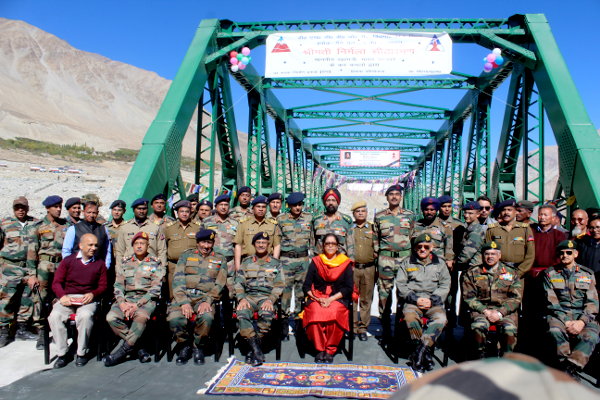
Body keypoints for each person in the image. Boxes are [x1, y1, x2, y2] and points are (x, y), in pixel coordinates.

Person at [104, 231, 165, 366]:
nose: (139, 246)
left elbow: (155, 288)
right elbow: (118, 286)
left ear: (147, 245)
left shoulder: (155, 263)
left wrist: (137, 305)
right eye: (136, 243)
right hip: (126, 300)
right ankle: (138, 347)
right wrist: (122, 303)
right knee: (111, 317)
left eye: (142, 243)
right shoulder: (125, 262)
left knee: (141, 317)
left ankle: (122, 351)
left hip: (145, 300)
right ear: (132, 246)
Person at [167, 229, 227, 365]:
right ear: (198, 242)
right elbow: (178, 279)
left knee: (206, 317)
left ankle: (198, 346)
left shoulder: (219, 258)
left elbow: (220, 284)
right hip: (185, 296)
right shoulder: (186, 256)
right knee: (174, 318)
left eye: (210, 243)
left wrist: (208, 301)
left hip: (205, 298)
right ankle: (184, 345)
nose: (206, 246)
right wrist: (183, 302)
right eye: (204, 242)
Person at [48, 233, 107, 368]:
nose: (94, 248)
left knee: (85, 316)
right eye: (90, 245)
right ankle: (62, 353)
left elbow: (103, 286)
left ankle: (82, 353)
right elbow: (56, 283)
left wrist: (93, 293)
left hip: (87, 298)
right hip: (67, 297)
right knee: (55, 316)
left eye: (96, 245)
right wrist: (62, 296)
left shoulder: (99, 264)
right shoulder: (68, 261)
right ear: (81, 246)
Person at [543, 240, 599, 379]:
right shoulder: (550, 273)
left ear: (575, 254)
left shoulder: (587, 274)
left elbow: (592, 303)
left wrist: (582, 322)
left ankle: (570, 367)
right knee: (555, 331)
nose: (565, 255)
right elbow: (552, 302)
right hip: (559, 315)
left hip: (583, 315)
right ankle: (567, 368)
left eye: (569, 252)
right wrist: (567, 321)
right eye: (561, 253)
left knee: (591, 336)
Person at [395, 233, 450, 372]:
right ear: (415, 248)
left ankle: (419, 352)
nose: (423, 249)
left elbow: (445, 285)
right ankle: (425, 354)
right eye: (419, 247)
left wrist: (432, 300)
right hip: (414, 301)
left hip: (434, 302)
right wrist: (415, 299)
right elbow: (401, 284)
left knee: (441, 319)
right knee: (410, 318)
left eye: (426, 247)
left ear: (432, 248)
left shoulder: (440, 263)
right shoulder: (407, 262)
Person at [462, 241, 522, 359]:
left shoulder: (511, 272)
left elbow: (516, 298)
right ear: (482, 256)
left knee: (509, 329)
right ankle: (480, 356)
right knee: (478, 327)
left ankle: (507, 359)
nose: (490, 257)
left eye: (493, 254)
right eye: (487, 254)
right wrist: (485, 311)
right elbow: (469, 297)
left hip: (505, 312)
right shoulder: (472, 273)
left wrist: (500, 313)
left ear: (499, 255)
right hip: (481, 311)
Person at [235, 232, 285, 366]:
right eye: (258, 242)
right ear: (253, 245)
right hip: (249, 297)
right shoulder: (246, 262)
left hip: (266, 298)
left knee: (267, 315)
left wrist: (271, 300)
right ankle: (257, 350)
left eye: (264, 243)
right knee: (242, 313)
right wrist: (242, 298)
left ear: (269, 245)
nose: (261, 245)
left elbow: (280, 284)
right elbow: (238, 282)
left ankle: (252, 349)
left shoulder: (276, 264)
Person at [303, 233, 354, 363]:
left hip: (337, 297)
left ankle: (330, 349)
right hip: (318, 296)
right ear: (323, 246)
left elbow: (348, 288)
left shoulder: (345, 262)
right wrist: (318, 299)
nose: (330, 246)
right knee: (315, 312)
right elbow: (307, 286)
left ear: (337, 246)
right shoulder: (316, 262)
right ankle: (320, 349)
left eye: (333, 243)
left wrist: (330, 300)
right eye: (327, 243)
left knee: (335, 313)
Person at [374, 184, 415, 342]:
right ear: (387, 197)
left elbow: (413, 237)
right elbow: (375, 239)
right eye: (391, 194)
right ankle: (385, 328)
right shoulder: (379, 216)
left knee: (404, 293)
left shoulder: (410, 216)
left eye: (397, 194)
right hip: (385, 259)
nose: (394, 197)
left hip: (405, 260)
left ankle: (401, 327)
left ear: (401, 196)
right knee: (384, 294)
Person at [27, 195, 67, 348]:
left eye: (60, 206)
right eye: (55, 206)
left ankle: (60, 330)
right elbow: (32, 252)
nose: (58, 209)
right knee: (41, 298)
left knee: (59, 297)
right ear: (47, 208)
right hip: (44, 266)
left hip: (61, 266)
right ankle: (42, 333)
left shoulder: (66, 225)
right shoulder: (37, 227)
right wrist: (31, 275)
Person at [0, 196, 39, 346]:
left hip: (28, 267)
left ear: (27, 208)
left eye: (23, 207)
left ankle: (22, 329)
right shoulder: (5, 224)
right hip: (9, 267)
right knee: (6, 299)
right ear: (13, 208)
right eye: (17, 207)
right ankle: (4, 330)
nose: (20, 210)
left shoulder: (35, 223)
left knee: (27, 297)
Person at [276, 192, 313, 338]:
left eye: (299, 205)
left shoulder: (309, 218)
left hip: (303, 261)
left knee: (301, 293)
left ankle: (299, 321)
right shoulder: (281, 219)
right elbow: (276, 241)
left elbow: (313, 239)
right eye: (294, 205)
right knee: (285, 293)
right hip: (286, 261)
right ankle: (283, 322)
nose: (297, 208)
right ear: (289, 206)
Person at [485, 199, 535, 278]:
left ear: (515, 212)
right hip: (498, 272)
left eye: (509, 210)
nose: (506, 213)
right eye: (503, 210)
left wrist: (519, 272)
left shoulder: (525, 229)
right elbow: (487, 252)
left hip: (518, 272)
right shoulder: (492, 229)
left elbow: (530, 254)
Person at [201, 194, 239, 295]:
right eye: (221, 204)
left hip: (229, 261)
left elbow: (237, 244)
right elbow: (200, 243)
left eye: (226, 205)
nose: (223, 207)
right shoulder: (207, 222)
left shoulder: (235, 223)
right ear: (216, 207)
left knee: (230, 288)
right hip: (212, 259)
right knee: (211, 286)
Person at [114, 198, 167, 268]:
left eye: (144, 209)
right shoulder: (124, 228)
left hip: (150, 268)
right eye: (139, 209)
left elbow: (162, 251)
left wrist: (162, 269)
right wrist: (119, 269)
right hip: (129, 268)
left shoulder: (156, 228)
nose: (142, 211)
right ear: (133, 210)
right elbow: (119, 251)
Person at [163, 200, 200, 298]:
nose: (184, 214)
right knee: (173, 294)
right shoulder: (169, 228)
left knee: (190, 293)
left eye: (187, 212)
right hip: (173, 266)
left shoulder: (197, 228)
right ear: (177, 213)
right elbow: (163, 247)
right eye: (182, 211)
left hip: (191, 265)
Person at [233, 195, 281, 271]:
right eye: (258, 207)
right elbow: (238, 245)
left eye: (263, 207)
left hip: (267, 264)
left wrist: (274, 263)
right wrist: (238, 267)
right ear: (253, 209)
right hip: (248, 263)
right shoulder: (243, 224)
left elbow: (277, 245)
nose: (261, 209)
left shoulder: (273, 225)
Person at [350, 200, 376, 341]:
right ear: (354, 214)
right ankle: (353, 327)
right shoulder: (349, 229)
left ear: (367, 213)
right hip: (353, 269)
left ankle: (363, 328)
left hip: (369, 268)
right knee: (353, 299)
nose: (360, 213)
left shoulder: (373, 229)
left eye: (363, 211)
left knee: (366, 300)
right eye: (357, 211)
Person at [62, 201, 112, 266]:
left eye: (94, 213)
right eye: (89, 212)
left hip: (97, 268)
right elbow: (66, 251)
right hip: (77, 267)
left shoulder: (103, 229)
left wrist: (106, 266)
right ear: (83, 212)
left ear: (97, 213)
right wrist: (70, 266)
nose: (91, 215)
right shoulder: (73, 229)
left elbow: (107, 250)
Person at [312, 188, 354, 258]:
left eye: (333, 200)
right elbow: (311, 244)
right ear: (325, 202)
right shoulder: (317, 220)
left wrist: (351, 263)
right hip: (321, 262)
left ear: (338, 202)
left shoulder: (346, 221)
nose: (331, 203)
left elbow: (351, 245)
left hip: (340, 262)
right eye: (328, 200)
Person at [414, 197, 454, 269]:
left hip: (437, 264)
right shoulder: (416, 226)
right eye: (426, 210)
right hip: (418, 264)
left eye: (432, 210)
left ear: (436, 210)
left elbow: (449, 247)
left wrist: (449, 260)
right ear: (422, 210)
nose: (429, 212)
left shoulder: (445, 227)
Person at [576, 214, 600, 282]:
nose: (595, 230)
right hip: (585, 280)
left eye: (598, 227)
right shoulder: (582, 243)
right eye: (592, 228)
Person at [105, 200, 127, 269]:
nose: (116, 212)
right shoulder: (105, 227)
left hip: (123, 262)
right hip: (108, 261)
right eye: (114, 210)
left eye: (119, 210)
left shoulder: (128, 227)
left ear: (124, 211)